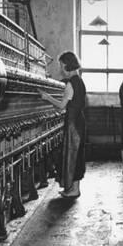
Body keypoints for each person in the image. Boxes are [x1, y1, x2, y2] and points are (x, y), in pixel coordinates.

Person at [38, 51, 86, 198]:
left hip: (72, 123)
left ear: (66, 65)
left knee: (71, 154)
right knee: (77, 156)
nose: (60, 69)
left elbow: (61, 105)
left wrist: (47, 97)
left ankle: (73, 190)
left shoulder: (71, 83)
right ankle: (74, 189)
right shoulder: (80, 81)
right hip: (79, 121)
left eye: (61, 65)